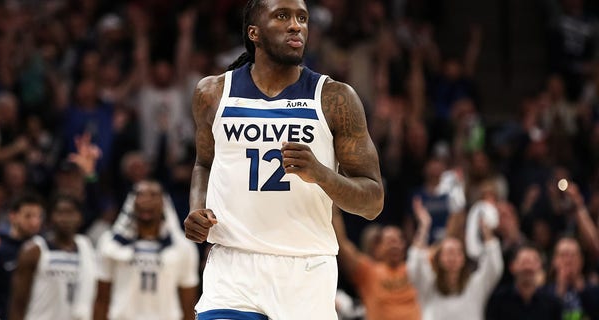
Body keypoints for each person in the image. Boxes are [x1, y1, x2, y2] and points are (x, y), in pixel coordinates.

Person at [183, 0, 384, 318]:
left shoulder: (334, 98)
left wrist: (320, 173)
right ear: (254, 33)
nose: (296, 25)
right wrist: (197, 208)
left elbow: (372, 202)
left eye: (302, 18)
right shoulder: (212, 92)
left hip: (306, 270)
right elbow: (204, 163)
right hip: (233, 265)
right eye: (282, 16)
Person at [94, 180, 199, 320]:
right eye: (140, 194)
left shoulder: (183, 247)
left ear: (164, 203)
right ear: (131, 202)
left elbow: (188, 303)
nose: (146, 200)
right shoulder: (110, 243)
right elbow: (102, 299)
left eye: (153, 195)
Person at [406, 197, 502, 320]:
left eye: (457, 253)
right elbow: (415, 265)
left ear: (463, 259)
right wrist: (424, 226)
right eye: (448, 253)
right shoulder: (428, 285)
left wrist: (486, 231)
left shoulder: (475, 286)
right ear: (439, 259)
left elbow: (494, 267)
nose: (453, 257)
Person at [9, 193, 97, 320]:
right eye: (60, 213)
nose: (65, 218)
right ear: (50, 218)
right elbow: (18, 303)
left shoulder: (86, 247)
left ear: (80, 217)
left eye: (70, 213)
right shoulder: (34, 250)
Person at [332, 207, 421, 320]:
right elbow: (342, 243)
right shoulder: (368, 271)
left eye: (399, 241)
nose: (395, 245)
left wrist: (424, 224)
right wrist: (334, 209)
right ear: (377, 248)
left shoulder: (415, 269)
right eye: (390, 241)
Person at [0, 192, 44, 320]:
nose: (34, 222)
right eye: (28, 216)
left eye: (38, 216)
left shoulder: (44, 249)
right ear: (13, 216)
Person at [486, 245, 562, 320]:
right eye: (523, 262)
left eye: (532, 262)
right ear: (512, 267)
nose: (528, 267)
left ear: (540, 266)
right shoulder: (498, 300)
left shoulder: (552, 302)